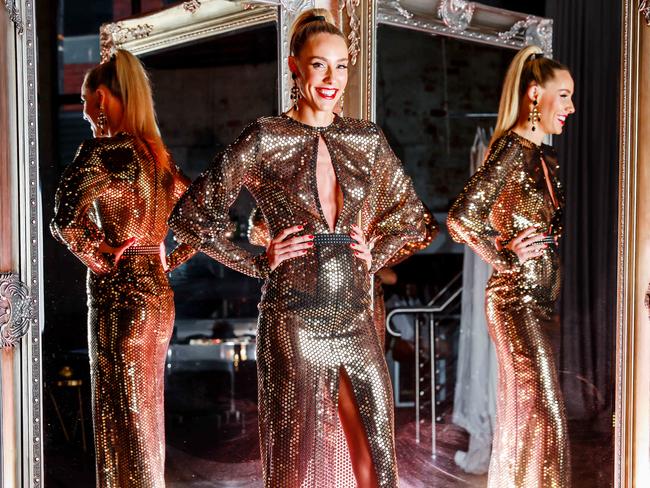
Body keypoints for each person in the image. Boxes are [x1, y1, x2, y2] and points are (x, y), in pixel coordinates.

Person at [169, 9, 436, 487]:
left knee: (377, 460)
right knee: (294, 462)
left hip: (356, 319)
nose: (333, 79)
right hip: (293, 317)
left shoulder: (366, 140)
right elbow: (190, 218)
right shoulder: (266, 137)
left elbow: (416, 222)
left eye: (342, 66)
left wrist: (378, 249)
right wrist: (257, 260)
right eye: (319, 65)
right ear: (295, 67)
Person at [50, 49, 195, 487]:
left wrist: (102, 254)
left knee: (118, 422)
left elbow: (63, 220)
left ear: (102, 97)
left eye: (83, 99)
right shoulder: (159, 159)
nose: (83, 112)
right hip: (159, 300)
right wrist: (165, 261)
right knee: (146, 418)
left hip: (120, 298)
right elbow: (202, 224)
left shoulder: (105, 153)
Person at [447, 45, 575, 487]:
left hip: (542, 303)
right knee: (547, 414)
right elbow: (461, 218)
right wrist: (505, 256)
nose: (572, 107)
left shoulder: (546, 158)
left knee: (530, 417)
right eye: (565, 96)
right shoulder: (509, 151)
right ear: (536, 95)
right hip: (514, 300)